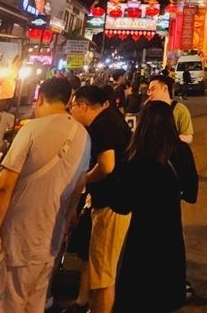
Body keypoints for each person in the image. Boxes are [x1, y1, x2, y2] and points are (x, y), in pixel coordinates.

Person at [0, 78, 90, 312]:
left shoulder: (32, 128)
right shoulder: (83, 136)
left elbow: (3, 187)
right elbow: (78, 189)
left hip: (18, 237)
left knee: (8, 303)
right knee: (35, 303)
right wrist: (65, 226)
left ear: (40, 98)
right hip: (51, 238)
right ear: (69, 100)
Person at [114, 101, 198, 312]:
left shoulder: (133, 154)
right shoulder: (180, 151)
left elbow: (122, 204)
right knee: (165, 297)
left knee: (136, 296)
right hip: (170, 234)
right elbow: (191, 193)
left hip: (140, 236)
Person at [71, 84, 133, 313]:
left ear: (82, 106)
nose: (71, 113)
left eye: (73, 107)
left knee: (103, 273)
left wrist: (83, 180)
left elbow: (107, 165)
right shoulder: (110, 120)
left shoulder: (102, 125)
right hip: (119, 201)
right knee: (102, 270)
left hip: (112, 203)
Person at [147, 74, 194, 143]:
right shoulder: (149, 109)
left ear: (165, 88)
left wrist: (169, 140)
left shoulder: (180, 109)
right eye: (149, 90)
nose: (150, 93)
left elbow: (188, 137)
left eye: (153, 89)